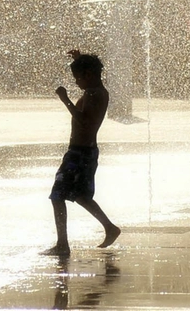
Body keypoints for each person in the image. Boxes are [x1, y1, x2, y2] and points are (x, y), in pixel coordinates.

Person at [42, 50, 121, 257]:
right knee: (80, 196)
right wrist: (78, 59)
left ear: (88, 75)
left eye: (78, 78)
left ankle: (62, 245)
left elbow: (85, 122)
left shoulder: (95, 94)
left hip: (80, 154)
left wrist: (65, 100)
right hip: (82, 152)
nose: (76, 83)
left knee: (58, 196)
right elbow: (91, 72)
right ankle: (109, 228)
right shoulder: (95, 90)